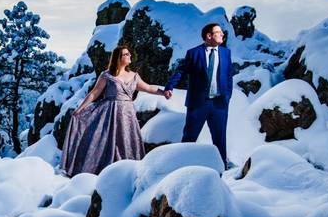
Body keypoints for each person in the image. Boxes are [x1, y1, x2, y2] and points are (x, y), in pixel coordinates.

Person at [61, 45, 168, 176]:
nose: (129, 56)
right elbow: (94, 93)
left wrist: (164, 93)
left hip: (127, 114)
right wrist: (80, 108)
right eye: (126, 54)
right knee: (105, 141)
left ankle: (127, 171)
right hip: (109, 113)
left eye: (129, 54)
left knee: (127, 141)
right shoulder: (107, 75)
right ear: (118, 58)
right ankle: (99, 169)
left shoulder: (134, 76)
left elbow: (149, 88)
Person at [163, 23, 234, 167]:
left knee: (220, 139)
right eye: (218, 32)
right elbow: (180, 71)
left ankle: (221, 167)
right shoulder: (194, 53)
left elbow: (228, 76)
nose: (222, 34)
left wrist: (227, 96)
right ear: (209, 36)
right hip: (198, 104)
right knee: (189, 137)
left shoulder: (226, 52)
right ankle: (182, 165)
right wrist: (170, 86)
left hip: (219, 104)